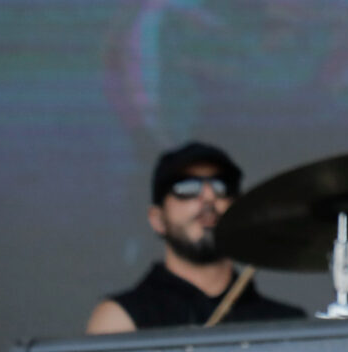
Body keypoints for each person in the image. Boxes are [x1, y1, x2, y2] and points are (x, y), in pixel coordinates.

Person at [86, 141, 305, 332]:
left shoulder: (287, 324)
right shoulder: (121, 319)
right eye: (187, 187)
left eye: (221, 186)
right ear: (157, 219)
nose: (209, 197)